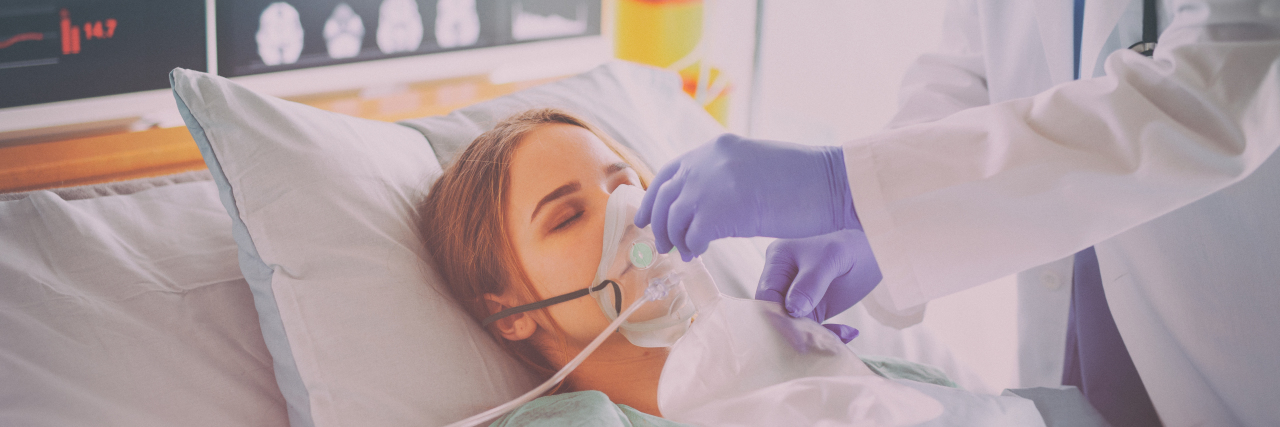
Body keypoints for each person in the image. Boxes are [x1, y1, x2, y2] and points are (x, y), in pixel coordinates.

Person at [634, 0, 1280, 426]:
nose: (619, 214)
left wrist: (848, 185)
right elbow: (970, 71)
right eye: (561, 215)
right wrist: (867, 217)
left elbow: (1214, 94)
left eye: (615, 177)